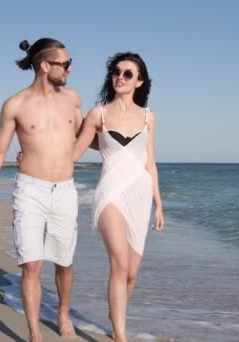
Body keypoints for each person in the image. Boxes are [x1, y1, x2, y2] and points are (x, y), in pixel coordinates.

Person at [0, 38, 82, 341]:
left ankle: (62, 314)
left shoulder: (72, 98)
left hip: (65, 190)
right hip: (30, 190)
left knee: (64, 262)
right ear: (46, 66)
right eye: (66, 64)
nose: (71, 69)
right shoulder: (15, 104)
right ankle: (35, 333)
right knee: (32, 264)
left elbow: (86, 138)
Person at [72, 52, 165, 342]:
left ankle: (116, 312)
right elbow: (73, 153)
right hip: (110, 193)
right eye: (116, 71)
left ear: (139, 81)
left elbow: (150, 163)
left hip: (140, 194)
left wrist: (159, 205)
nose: (120, 77)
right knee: (120, 264)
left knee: (132, 273)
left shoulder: (149, 118)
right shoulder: (98, 114)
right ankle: (120, 336)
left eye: (128, 73)